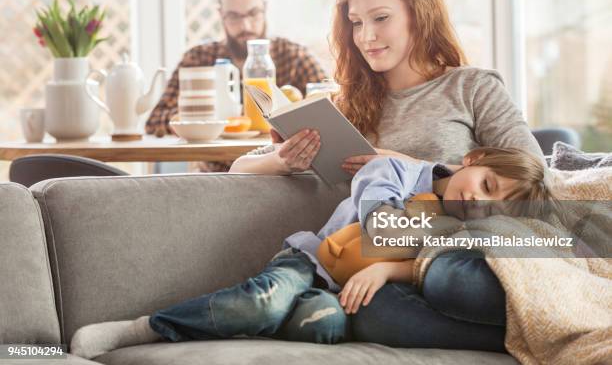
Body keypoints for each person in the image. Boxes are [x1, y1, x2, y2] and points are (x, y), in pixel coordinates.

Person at [227, 0, 545, 353]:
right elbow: (239, 167)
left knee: (450, 278)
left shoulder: (472, 87)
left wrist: (398, 160)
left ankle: (530, 331)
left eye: (380, 18)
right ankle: (527, 339)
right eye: (356, 22)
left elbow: (538, 179)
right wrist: (282, 160)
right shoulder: (341, 108)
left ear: (419, 14)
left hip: (458, 258)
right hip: (378, 273)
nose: (366, 37)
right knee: (374, 311)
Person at [69, 146, 554, 359]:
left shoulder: (460, 229)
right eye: (486, 184)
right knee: (264, 300)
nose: (478, 199)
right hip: (311, 264)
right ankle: (141, 329)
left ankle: (259, 322)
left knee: (324, 325)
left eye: (492, 204)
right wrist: (426, 233)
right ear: (473, 160)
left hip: (340, 295)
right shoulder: (396, 173)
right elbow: (376, 224)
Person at [146, 0, 327, 171]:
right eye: (234, 16)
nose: (245, 25)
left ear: (265, 7)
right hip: (216, 176)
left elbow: (331, 105)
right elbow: (155, 121)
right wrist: (206, 118)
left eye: (253, 13)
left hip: (281, 176)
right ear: (221, 15)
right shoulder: (199, 59)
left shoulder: (293, 57)